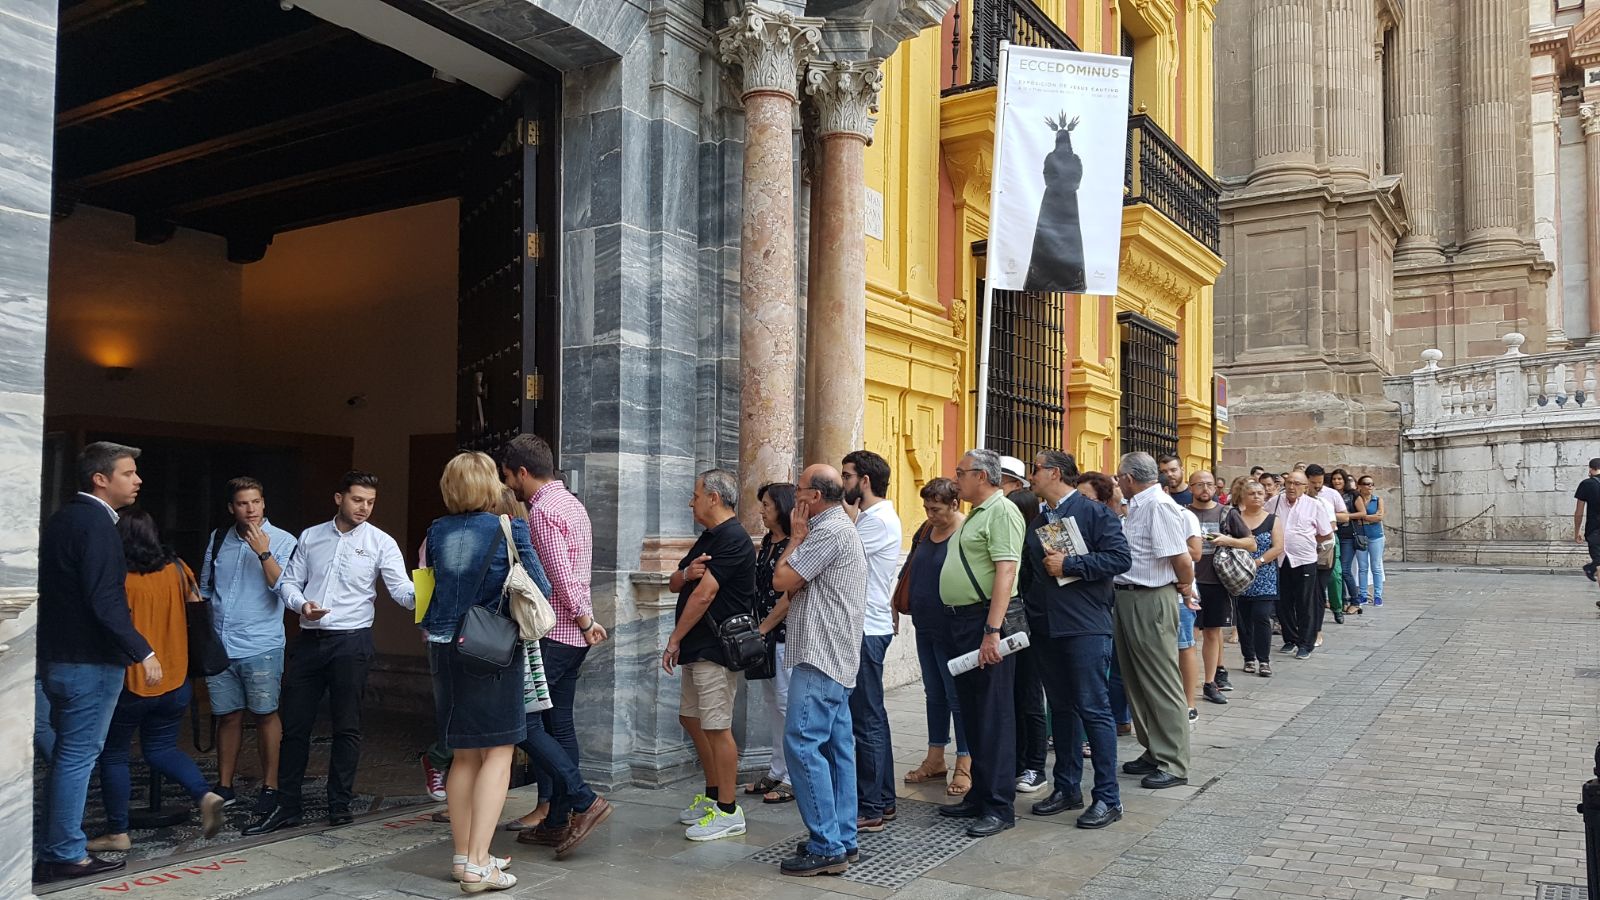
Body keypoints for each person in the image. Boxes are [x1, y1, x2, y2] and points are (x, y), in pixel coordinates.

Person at [246, 472, 416, 835]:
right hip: (310, 641)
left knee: (347, 726)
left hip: (351, 642)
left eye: (370, 502)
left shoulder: (380, 542)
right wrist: (301, 604)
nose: (364, 508)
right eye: (357, 500)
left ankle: (339, 805)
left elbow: (401, 589)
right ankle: (287, 805)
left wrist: (428, 596)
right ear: (339, 497)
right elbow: (289, 581)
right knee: (294, 726)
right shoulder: (311, 536)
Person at [35, 442, 157, 884]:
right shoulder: (99, 525)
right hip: (90, 662)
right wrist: (142, 649)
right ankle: (63, 852)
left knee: (67, 755)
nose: (137, 479)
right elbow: (104, 598)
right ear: (100, 479)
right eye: (128, 473)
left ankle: (58, 843)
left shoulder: (63, 519)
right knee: (75, 757)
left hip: (56, 658)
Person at [90, 509, 227, 855]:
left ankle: (118, 832)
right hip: (175, 678)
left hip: (130, 680)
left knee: (115, 754)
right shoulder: (178, 569)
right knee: (162, 748)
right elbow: (197, 610)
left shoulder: (118, 576)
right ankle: (204, 794)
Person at [499, 435, 609, 838]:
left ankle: (583, 800)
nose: (509, 485)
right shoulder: (572, 504)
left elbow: (559, 576)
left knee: (523, 722)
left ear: (523, 473)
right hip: (572, 635)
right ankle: (559, 821)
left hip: (557, 632)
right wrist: (586, 620)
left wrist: (582, 619)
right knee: (559, 725)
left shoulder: (543, 511)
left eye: (509, 476)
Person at [1020, 450, 1130, 828]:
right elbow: (1030, 574)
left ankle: (1108, 797)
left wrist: (1071, 565)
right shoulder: (1039, 521)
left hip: (1085, 625)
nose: (1030, 476)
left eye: (1034, 469)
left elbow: (1119, 559)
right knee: (1061, 709)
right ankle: (1067, 787)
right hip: (1047, 627)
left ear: (1053, 473)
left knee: (1093, 709)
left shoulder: (1095, 513)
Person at [770, 465, 868, 876]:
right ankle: (841, 837)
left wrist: (793, 539)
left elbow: (782, 579)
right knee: (836, 748)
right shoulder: (837, 527)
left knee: (803, 744)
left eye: (798, 490)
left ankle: (827, 844)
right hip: (835, 654)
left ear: (812, 498)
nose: (794, 497)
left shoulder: (825, 531)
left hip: (821, 655)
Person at [937, 448, 1027, 838]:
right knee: (972, 710)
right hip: (964, 622)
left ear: (983, 476)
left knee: (993, 713)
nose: (956, 479)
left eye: (961, 473)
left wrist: (992, 631)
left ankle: (998, 805)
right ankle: (979, 795)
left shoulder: (1002, 511)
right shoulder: (979, 512)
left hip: (984, 624)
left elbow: (1006, 570)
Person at [664, 469, 758, 842]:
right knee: (691, 719)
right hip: (698, 648)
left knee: (717, 726)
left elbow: (705, 595)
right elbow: (677, 581)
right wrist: (687, 573)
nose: (692, 501)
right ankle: (713, 793)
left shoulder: (734, 538)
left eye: (696, 495)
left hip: (716, 649)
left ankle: (729, 811)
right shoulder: (709, 536)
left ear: (714, 498)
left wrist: (673, 639)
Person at [200, 477, 298, 815]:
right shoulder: (218, 539)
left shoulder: (284, 540)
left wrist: (263, 552)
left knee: (265, 714)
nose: (251, 509)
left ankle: (271, 784)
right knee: (227, 716)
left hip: (261, 644)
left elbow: (282, 587)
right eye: (243, 503)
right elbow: (205, 589)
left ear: (264, 503)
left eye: (256, 501)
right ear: (232, 508)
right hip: (221, 645)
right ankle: (224, 785)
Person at [1111, 452, 1195, 789]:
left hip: (1150, 597)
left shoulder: (1157, 506)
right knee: (1136, 679)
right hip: (1129, 596)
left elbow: (1181, 557)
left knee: (1160, 680)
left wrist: (1186, 586)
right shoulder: (1138, 506)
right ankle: (1154, 748)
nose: (1117, 482)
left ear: (1130, 478)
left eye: (1120, 477)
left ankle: (1174, 762)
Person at [841, 450, 902, 832]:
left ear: (864, 481)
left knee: (866, 720)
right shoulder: (868, 519)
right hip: (864, 627)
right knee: (871, 717)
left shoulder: (876, 522)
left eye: (847, 476)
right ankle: (884, 799)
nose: (842, 482)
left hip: (866, 629)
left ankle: (872, 805)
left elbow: (839, 557)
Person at [899, 478, 972, 796]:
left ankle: (965, 762)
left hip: (954, 628)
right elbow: (911, 569)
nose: (930, 513)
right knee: (934, 693)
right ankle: (935, 757)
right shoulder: (925, 530)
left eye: (937, 508)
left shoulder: (967, 532)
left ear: (955, 504)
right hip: (925, 624)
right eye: (927, 507)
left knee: (958, 696)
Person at [747, 483, 797, 804]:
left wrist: (764, 627)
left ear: (782, 506)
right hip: (765, 633)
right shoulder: (767, 542)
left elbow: (789, 596)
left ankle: (792, 776)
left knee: (786, 705)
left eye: (767, 504)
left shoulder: (795, 544)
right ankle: (776, 769)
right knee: (772, 706)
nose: (762, 510)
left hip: (783, 635)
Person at [1078, 472, 1133, 734]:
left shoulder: (1107, 522)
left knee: (1110, 670)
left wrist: (1071, 564)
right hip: (1085, 606)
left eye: (1085, 497)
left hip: (1107, 601)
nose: (1080, 502)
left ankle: (1117, 720)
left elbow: (1119, 559)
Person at [1188, 471, 1247, 706]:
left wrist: (1226, 540)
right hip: (1187, 580)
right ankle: (1185, 682)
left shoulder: (1227, 513)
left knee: (1212, 632)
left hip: (1215, 580)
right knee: (1188, 634)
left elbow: (1250, 542)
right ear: (1191, 487)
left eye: (1209, 484)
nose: (1205, 488)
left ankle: (1211, 682)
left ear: (1216, 488)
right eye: (1200, 484)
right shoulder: (1182, 512)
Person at [1223, 480, 1283, 677]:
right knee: (1243, 618)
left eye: (1260, 493)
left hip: (1264, 576)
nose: (1256, 496)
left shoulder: (1273, 519)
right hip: (1239, 576)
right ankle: (1248, 657)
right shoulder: (1235, 518)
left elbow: (1278, 547)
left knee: (1262, 616)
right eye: (1252, 493)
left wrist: (1258, 562)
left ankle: (1264, 660)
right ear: (1243, 497)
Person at [1274, 471, 1334, 660]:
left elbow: (1327, 533)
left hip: (1304, 559)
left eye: (1296, 484)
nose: (1291, 487)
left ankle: (1306, 643)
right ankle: (1290, 638)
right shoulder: (1274, 502)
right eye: (1289, 482)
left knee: (1304, 602)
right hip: (1280, 558)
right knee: (1283, 602)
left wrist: (1308, 539)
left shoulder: (1314, 505)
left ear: (1305, 487)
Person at [1302, 464, 1349, 634]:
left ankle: (1336, 608)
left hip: (1328, 540)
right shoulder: (1299, 496)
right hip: (1305, 544)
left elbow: (1345, 516)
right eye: (1313, 482)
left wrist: (1326, 516)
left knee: (1335, 575)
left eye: (1320, 482)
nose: (1317, 485)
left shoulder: (1330, 495)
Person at [1350, 474, 1387, 607]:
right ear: (1359, 486)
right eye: (1366, 483)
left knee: (1376, 566)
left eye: (1371, 484)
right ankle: (1363, 594)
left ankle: (1378, 595)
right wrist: (1370, 518)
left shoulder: (1377, 499)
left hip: (1376, 536)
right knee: (1363, 567)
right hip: (1360, 536)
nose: (1369, 486)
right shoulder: (1356, 500)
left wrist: (1363, 518)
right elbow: (1356, 517)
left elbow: (1380, 516)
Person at [1329, 469, 1360, 615]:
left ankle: (1355, 601)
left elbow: (1363, 513)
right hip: (1334, 535)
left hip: (1348, 536)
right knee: (1337, 571)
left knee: (1345, 570)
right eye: (1334, 479)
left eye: (1340, 479)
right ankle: (1342, 601)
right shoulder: (1329, 494)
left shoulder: (1353, 494)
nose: (1337, 481)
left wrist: (1342, 515)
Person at [1577, 458, 1600, 598]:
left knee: (1599, 564)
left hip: (1594, 531)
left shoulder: (1586, 484)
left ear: (1591, 469)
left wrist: (1576, 532)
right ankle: (1591, 567)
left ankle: (1591, 568)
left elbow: (1578, 512)